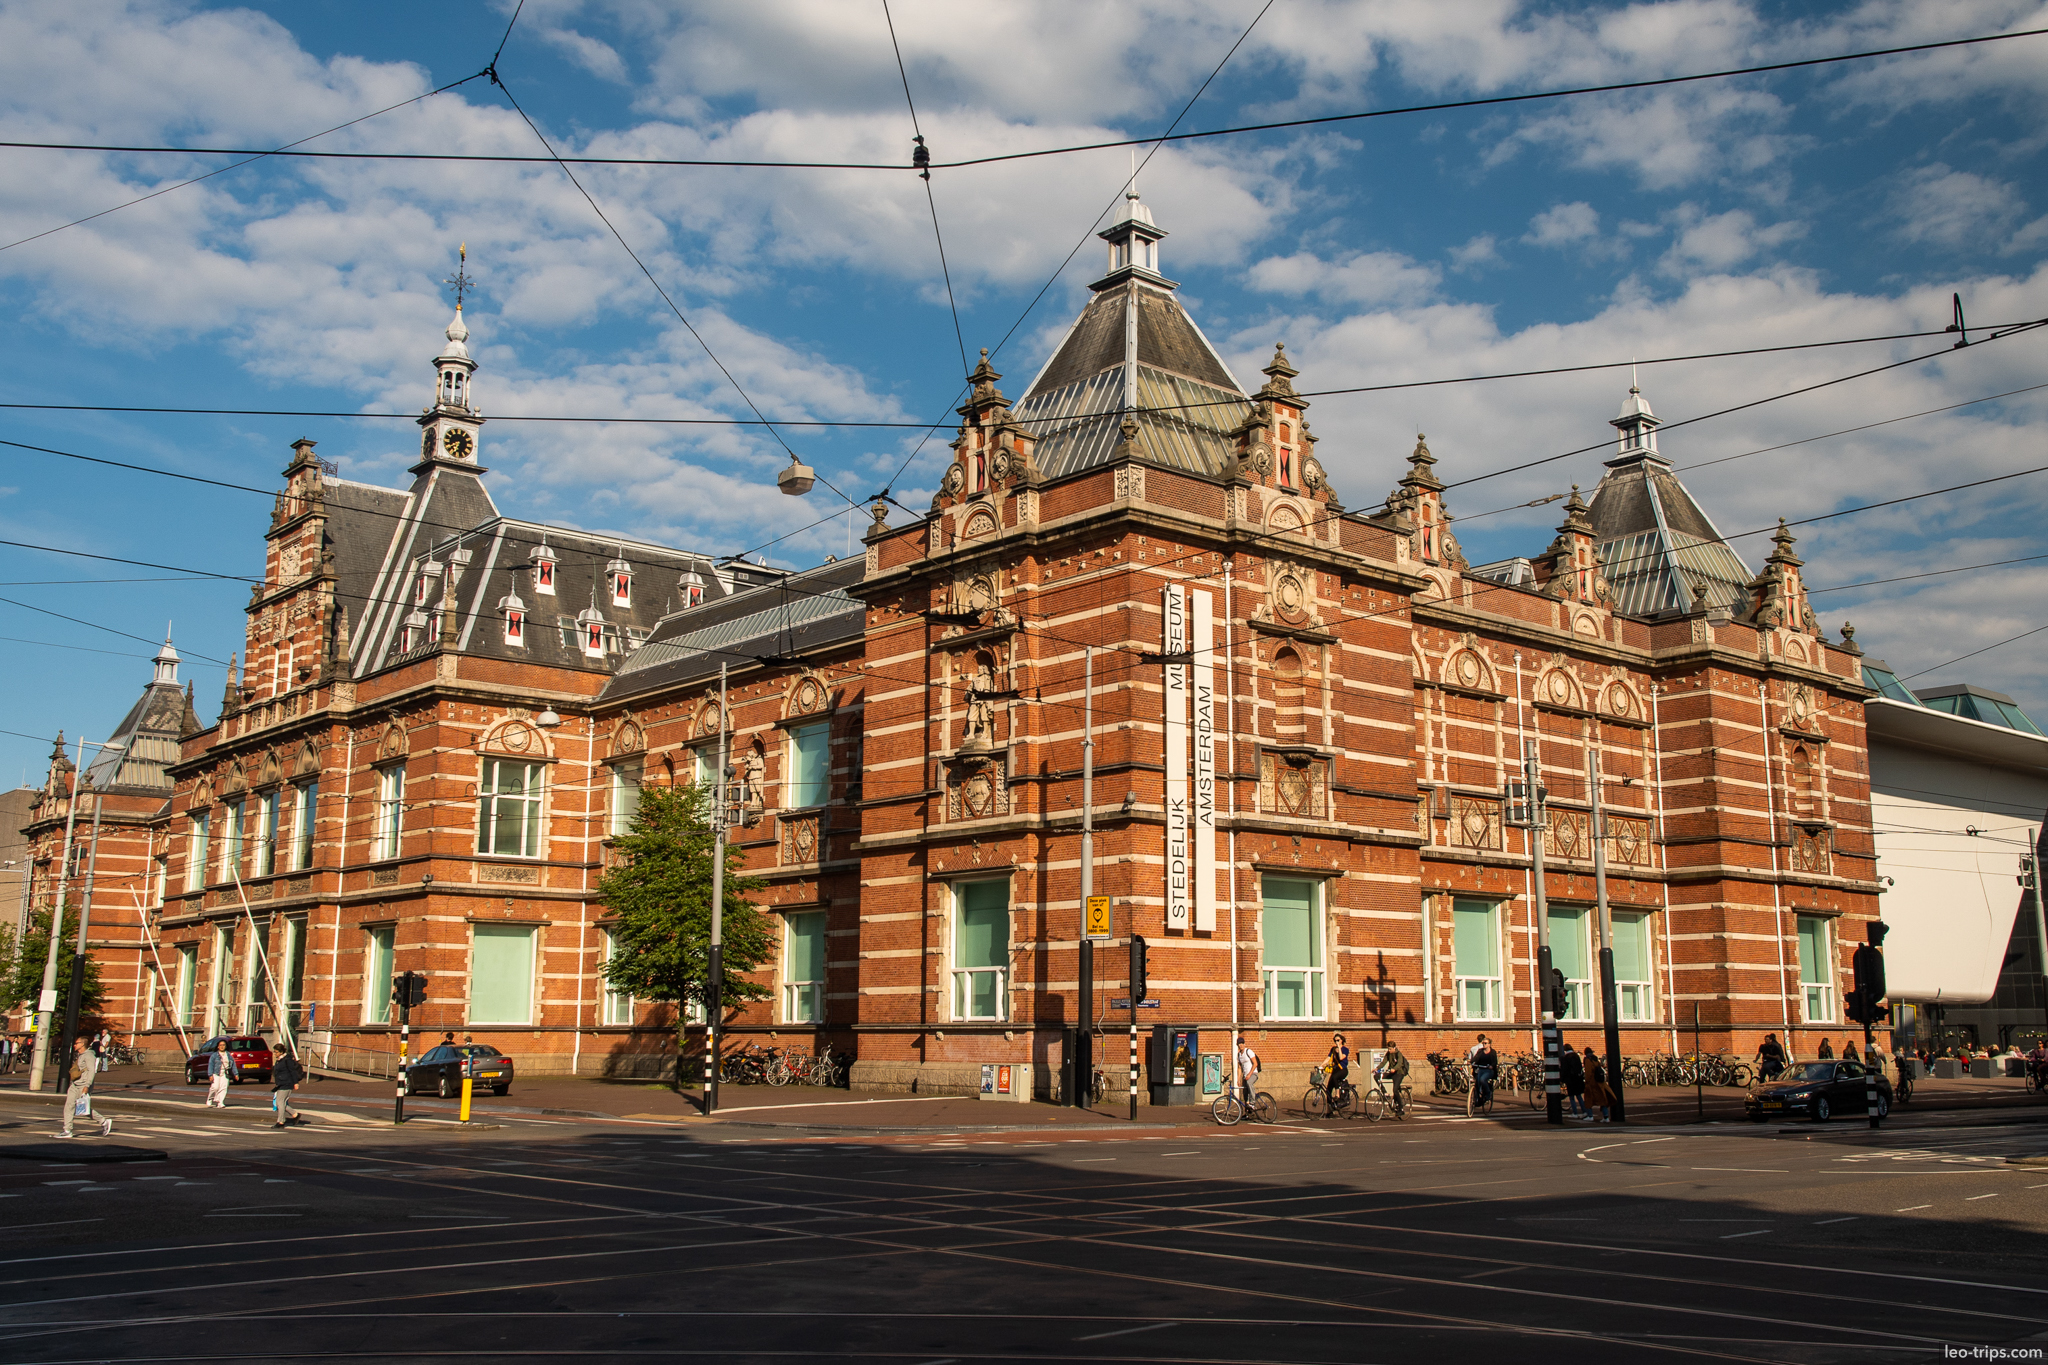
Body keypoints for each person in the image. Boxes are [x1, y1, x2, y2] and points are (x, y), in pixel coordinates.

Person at [57, 1036, 112, 1139]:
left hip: (83, 1085)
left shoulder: (89, 1055)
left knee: (82, 1109)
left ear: (82, 1044)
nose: (75, 1045)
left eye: (77, 1043)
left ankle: (103, 1121)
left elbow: (91, 1071)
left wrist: (87, 1086)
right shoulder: (80, 1055)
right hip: (75, 1084)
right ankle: (67, 1130)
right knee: (69, 1106)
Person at [270, 1043, 305, 1127]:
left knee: (280, 1102)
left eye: (276, 1052)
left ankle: (281, 1121)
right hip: (281, 1083)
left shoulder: (287, 1060)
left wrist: (295, 1083)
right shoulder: (279, 1060)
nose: (275, 1054)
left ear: (281, 1052)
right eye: (274, 1052)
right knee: (281, 1103)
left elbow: (292, 1071)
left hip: (286, 1083)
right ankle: (295, 1115)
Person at [1376, 1042, 1410, 1117]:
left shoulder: (1398, 1054)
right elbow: (1383, 1062)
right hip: (1391, 1072)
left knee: (1395, 1089)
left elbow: (1400, 1063)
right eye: (1388, 1048)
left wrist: (1394, 1069)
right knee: (1377, 1076)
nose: (1389, 1050)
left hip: (1399, 1073)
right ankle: (1385, 1093)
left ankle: (1401, 1108)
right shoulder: (1388, 1054)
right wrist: (1377, 1068)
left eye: (1390, 1049)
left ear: (1394, 1048)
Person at [1467, 1034, 1497, 1115]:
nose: (1484, 1045)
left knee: (1483, 1080)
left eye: (1486, 1043)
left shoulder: (1492, 1052)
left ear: (1489, 1044)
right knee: (1477, 1082)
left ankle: (1488, 1094)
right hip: (1480, 1069)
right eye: (1483, 1043)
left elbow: (1494, 1062)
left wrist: (1492, 1066)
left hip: (1488, 1070)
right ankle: (1478, 1099)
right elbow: (1476, 1058)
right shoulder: (1480, 1051)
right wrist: (1471, 1061)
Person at [1583, 1045, 1611, 1123]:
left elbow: (1588, 1073)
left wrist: (1586, 1082)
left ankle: (1590, 1115)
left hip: (1592, 1083)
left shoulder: (1588, 1060)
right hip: (1600, 1083)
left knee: (1588, 1099)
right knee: (1602, 1100)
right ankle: (1606, 1117)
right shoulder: (1595, 1059)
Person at [1559, 1041, 1587, 1118]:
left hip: (1570, 1079)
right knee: (1579, 1096)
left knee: (1571, 1097)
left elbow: (1564, 1069)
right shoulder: (1576, 1056)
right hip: (1578, 1079)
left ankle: (1575, 1113)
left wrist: (1562, 1079)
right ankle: (1584, 1111)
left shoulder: (1565, 1058)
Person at [1325, 1033, 1352, 1107]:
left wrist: (1339, 1048)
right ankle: (1329, 1110)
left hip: (1342, 1070)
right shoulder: (1333, 1049)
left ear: (1341, 1040)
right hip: (1335, 1070)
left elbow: (1341, 1058)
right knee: (1328, 1090)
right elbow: (1328, 1058)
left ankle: (1337, 1094)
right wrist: (1321, 1065)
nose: (1336, 1042)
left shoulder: (1345, 1049)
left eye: (1338, 1040)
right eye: (1335, 1040)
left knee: (1335, 1077)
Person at [205, 1038, 233, 1107]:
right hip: (216, 1073)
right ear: (218, 1046)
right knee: (215, 1087)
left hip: (225, 1073)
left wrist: (235, 1074)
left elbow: (233, 1064)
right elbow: (211, 1065)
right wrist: (210, 1075)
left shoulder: (228, 1055)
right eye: (221, 1045)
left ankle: (220, 1102)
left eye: (224, 1045)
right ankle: (210, 1099)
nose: (222, 1046)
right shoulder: (214, 1055)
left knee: (224, 1088)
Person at [1234, 1035, 1260, 1108]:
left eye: (1242, 1043)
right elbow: (1239, 1068)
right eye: (1239, 1044)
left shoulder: (1248, 1051)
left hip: (1253, 1073)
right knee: (1245, 1093)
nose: (1241, 1045)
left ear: (1244, 1044)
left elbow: (1255, 1063)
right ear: (1237, 1045)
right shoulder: (1239, 1055)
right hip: (1245, 1076)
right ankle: (1248, 1113)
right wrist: (1238, 1079)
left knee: (1249, 1083)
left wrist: (1249, 1074)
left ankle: (1253, 1102)